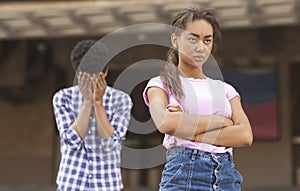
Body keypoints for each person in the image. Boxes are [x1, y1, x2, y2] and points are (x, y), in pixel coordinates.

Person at [143, 7, 253, 191]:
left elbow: (245, 135)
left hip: (226, 176)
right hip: (183, 173)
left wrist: (186, 129)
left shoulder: (226, 89)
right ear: (175, 40)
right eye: (193, 38)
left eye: (207, 40)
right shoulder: (160, 84)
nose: (201, 47)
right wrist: (221, 122)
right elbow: (165, 122)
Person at [52, 40, 133, 191]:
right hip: (71, 184)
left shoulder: (121, 100)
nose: (91, 81)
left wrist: (98, 102)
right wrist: (87, 102)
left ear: (106, 71)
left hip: (107, 186)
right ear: (78, 73)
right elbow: (71, 141)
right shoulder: (63, 98)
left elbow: (111, 144)